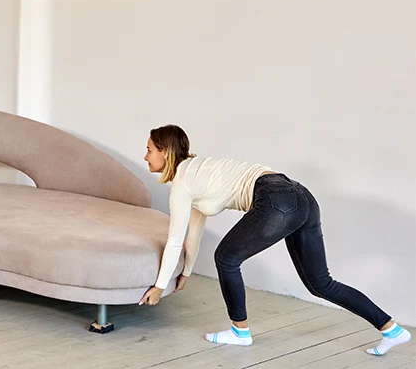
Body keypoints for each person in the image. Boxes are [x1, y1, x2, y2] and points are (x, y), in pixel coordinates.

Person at [138, 124, 410, 356]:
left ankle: (240, 331)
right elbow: (192, 233)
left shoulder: (184, 183)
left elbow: (175, 240)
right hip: (301, 197)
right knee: (321, 284)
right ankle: (391, 329)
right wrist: (184, 272)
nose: (146, 156)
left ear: (165, 151)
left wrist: (160, 287)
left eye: (150, 149)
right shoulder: (196, 173)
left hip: (277, 198)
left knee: (226, 258)